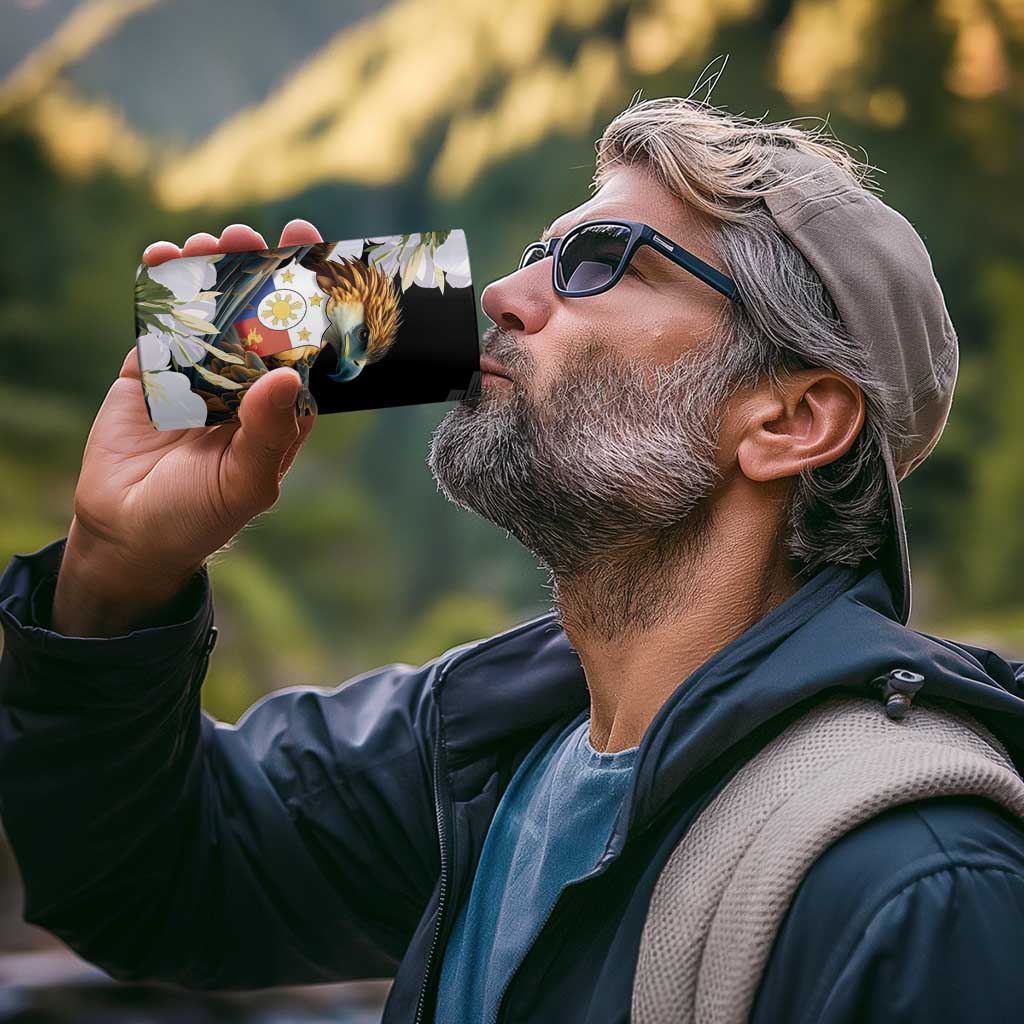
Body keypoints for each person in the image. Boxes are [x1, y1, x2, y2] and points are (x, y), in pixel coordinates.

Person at [2, 94, 1024, 1024]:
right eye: (539, 252)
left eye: (599, 262)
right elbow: (149, 880)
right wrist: (116, 571)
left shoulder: (918, 884)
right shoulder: (481, 747)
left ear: (791, 419)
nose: (500, 292)